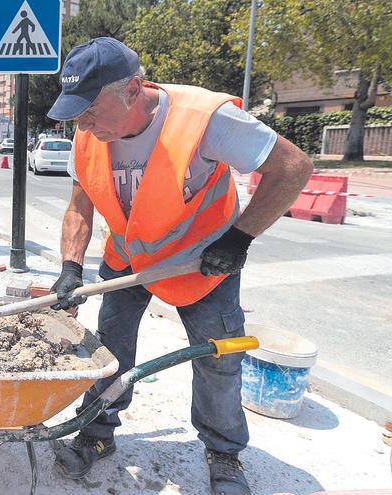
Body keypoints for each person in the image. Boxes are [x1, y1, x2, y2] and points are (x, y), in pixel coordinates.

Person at [45, 38, 312, 494]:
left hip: (202, 264)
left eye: (89, 109)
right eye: (75, 113)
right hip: (128, 261)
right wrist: (71, 265)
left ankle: (223, 454)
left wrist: (239, 238)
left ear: (132, 88)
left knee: (218, 359)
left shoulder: (205, 119)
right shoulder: (88, 135)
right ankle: (97, 432)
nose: (81, 122)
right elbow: (79, 207)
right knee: (109, 351)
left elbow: (293, 167)